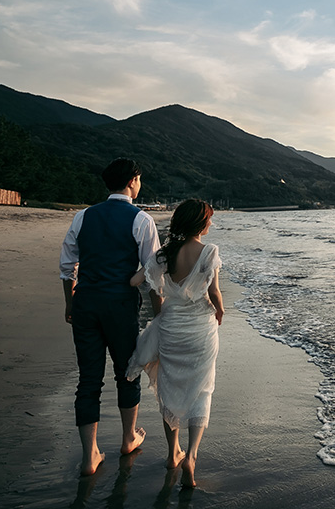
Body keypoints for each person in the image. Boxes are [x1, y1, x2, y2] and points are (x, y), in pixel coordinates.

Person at [60, 158, 161, 476]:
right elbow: (154, 273)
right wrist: (159, 317)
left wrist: (70, 303)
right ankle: (128, 438)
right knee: (127, 372)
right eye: (140, 178)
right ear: (132, 181)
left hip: (86, 303)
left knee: (88, 379)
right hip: (119, 306)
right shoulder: (141, 219)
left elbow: (67, 266)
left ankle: (90, 456)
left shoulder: (82, 216)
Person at [126, 199, 224, 489]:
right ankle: (191, 457)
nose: (210, 225)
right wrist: (220, 310)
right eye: (209, 220)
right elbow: (215, 292)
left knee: (170, 389)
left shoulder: (162, 255)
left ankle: (172, 455)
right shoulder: (209, 252)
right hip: (200, 331)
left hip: (171, 329)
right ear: (201, 223)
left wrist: (157, 294)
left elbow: (135, 282)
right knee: (202, 389)